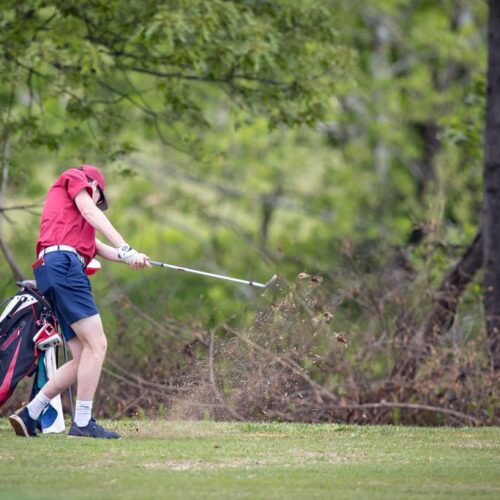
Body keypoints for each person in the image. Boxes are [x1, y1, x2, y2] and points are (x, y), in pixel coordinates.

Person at [8, 165, 150, 439]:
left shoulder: (74, 222)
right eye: (98, 197)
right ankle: (82, 423)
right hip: (63, 265)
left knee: (84, 355)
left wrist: (133, 256)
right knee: (98, 345)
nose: (97, 202)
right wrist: (125, 245)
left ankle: (30, 413)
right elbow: (90, 211)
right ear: (93, 187)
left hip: (52, 268)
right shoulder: (76, 178)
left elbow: (100, 248)